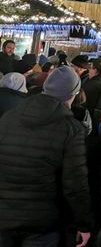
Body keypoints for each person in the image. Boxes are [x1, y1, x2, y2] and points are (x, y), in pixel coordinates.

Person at [0, 66, 93, 247]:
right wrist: (84, 223)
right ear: (73, 94)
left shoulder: (9, 117)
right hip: (42, 222)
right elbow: (75, 183)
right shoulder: (71, 129)